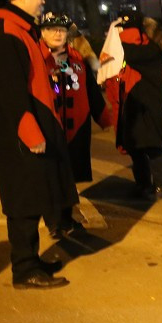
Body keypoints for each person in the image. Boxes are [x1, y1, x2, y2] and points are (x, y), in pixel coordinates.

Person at [0, 0, 76, 289]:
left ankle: (31, 260)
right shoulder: (6, 33)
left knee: (34, 195)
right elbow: (11, 93)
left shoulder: (21, 30)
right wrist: (32, 134)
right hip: (20, 134)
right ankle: (23, 269)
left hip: (32, 124)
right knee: (23, 200)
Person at [39, 12, 112, 194]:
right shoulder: (36, 59)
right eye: (51, 29)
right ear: (42, 33)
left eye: (62, 30)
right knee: (51, 176)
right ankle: (59, 216)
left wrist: (104, 118)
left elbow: (91, 91)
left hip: (77, 129)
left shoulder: (78, 60)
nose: (57, 34)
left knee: (70, 175)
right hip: (49, 130)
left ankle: (68, 214)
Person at [114, 7, 162, 199]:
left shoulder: (151, 49)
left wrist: (117, 38)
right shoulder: (146, 46)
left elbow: (130, 53)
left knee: (152, 145)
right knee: (135, 145)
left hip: (149, 102)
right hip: (134, 101)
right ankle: (144, 184)